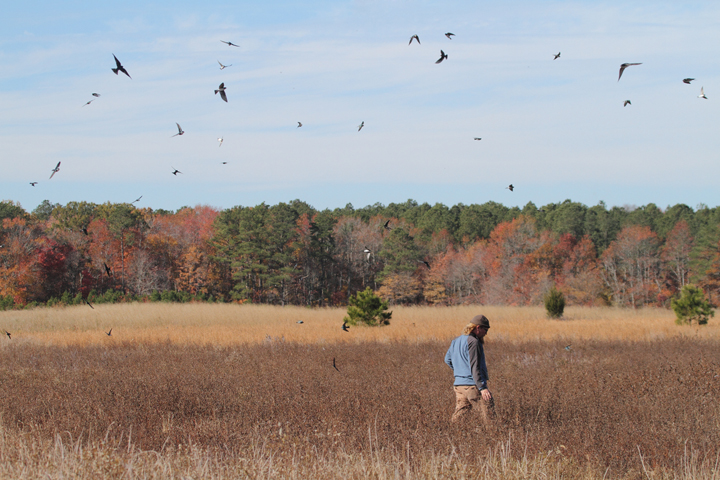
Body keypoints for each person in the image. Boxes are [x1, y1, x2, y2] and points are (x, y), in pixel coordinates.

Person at [444, 314, 494, 424]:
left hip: (459, 385)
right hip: (472, 385)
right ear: (478, 328)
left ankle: (451, 433)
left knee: (460, 415)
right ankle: (494, 436)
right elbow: (475, 366)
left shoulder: (456, 341)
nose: (486, 333)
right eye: (485, 329)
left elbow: (447, 360)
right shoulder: (473, 342)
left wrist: (460, 372)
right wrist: (482, 387)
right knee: (487, 412)